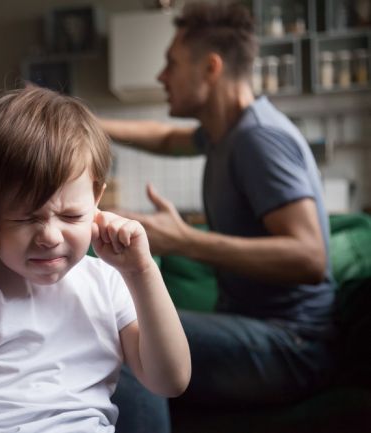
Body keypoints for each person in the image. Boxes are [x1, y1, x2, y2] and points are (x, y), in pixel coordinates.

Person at [0, 86, 191, 433]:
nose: (50, 236)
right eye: (25, 218)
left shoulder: (107, 281)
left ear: (96, 198)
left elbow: (171, 380)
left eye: (71, 216)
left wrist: (141, 271)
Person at [99, 1, 336, 430]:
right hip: (263, 332)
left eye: (171, 64)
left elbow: (311, 257)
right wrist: (85, 121)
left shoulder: (258, 139)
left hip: (291, 345)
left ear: (211, 67)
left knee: (129, 341)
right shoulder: (223, 133)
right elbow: (167, 137)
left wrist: (183, 240)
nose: (161, 76)